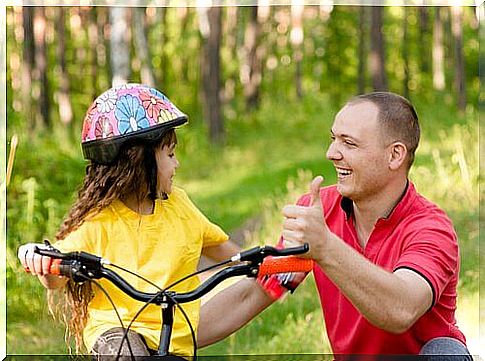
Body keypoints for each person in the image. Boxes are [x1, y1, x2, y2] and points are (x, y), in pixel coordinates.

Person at [198, 92, 472, 360]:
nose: (331, 153)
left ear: (395, 155)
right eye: (333, 139)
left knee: (446, 352)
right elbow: (253, 293)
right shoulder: (320, 210)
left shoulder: (431, 228)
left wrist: (325, 247)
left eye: (349, 144)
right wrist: (162, 340)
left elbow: (401, 311)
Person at [17, 83, 239, 358]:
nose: (177, 164)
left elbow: (229, 254)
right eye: (169, 155)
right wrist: (42, 262)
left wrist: (265, 264)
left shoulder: (180, 206)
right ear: (138, 161)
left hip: (173, 343)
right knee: (126, 352)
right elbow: (57, 273)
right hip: (117, 334)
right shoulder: (100, 221)